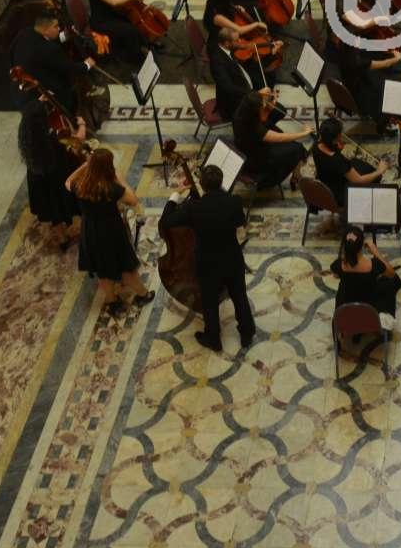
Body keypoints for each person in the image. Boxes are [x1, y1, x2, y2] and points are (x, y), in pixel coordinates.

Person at [159, 164, 254, 353]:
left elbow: (166, 222)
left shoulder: (193, 208)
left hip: (207, 262)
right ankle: (246, 333)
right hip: (232, 258)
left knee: (209, 300)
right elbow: (240, 222)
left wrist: (175, 196)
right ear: (221, 182)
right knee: (239, 296)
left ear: (202, 185)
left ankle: (213, 338)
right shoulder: (234, 201)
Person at [66, 148, 152, 314]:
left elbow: (67, 181)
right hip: (111, 231)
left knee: (102, 269)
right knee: (126, 266)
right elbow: (133, 200)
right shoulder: (110, 188)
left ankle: (112, 302)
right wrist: (119, 179)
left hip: (90, 231)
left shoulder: (80, 185)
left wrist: (85, 165)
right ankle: (143, 294)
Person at [18, 96, 83, 247]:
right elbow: (77, 142)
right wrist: (82, 124)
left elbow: (34, 112)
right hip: (57, 179)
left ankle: (62, 239)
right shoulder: (53, 140)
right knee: (63, 204)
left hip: (41, 183)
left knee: (54, 212)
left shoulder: (29, 137)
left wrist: (40, 102)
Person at [11, 14, 95, 114]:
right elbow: (69, 68)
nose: (59, 28)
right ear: (45, 30)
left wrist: (64, 35)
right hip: (42, 96)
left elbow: (44, 41)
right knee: (67, 85)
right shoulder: (50, 50)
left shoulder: (24, 33)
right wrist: (86, 65)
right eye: (55, 26)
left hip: (19, 92)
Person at [232, 90, 311, 189]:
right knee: (298, 147)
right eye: (263, 107)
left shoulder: (240, 112)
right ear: (255, 112)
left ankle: (296, 175)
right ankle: (295, 177)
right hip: (257, 159)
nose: (265, 106)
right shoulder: (255, 129)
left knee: (278, 112)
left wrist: (266, 95)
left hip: (245, 147)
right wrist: (304, 133)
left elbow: (253, 99)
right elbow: (280, 138)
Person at [80, 0, 149, 66]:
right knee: (129, 30)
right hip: (101, 22)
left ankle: (145, 45)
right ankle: (136, 59)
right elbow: (114, 2)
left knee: (129, 21)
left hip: (108, 15)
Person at [331, 224, 401, 326]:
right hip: (369, 313)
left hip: (345, 314)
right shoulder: (374, 265)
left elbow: (336, 275)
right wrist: (375, 251)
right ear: (361, 246)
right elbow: (391, 273)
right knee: (389, 282)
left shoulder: (338, 265)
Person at [313, 116, 387, 208]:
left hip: (326, 180)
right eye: (340, 134)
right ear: (334, 139)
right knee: (375, 176)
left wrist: (337, 147)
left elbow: (329, 155)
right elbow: (359, 181)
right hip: (340, 193)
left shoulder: (316, 145)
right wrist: (379, 170)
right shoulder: (338, 160)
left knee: (358, 163)